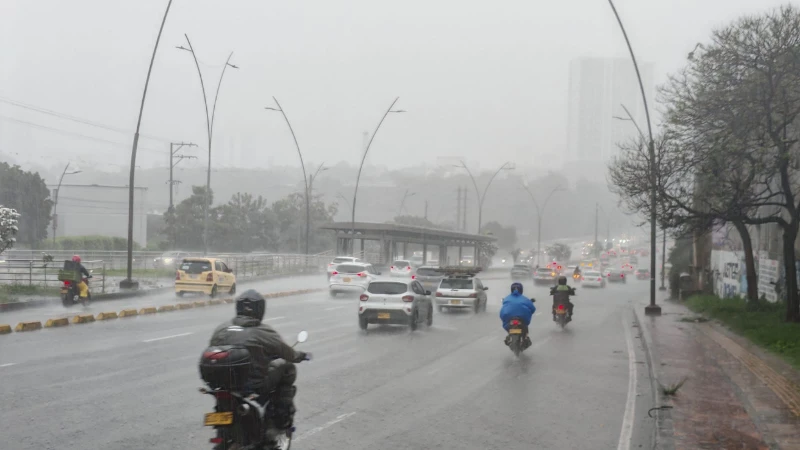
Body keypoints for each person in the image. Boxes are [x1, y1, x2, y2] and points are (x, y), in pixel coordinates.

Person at [209, 289, 308, 439]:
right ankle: (281, 418)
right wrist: (300, 355)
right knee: (287, 367)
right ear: (260, 310)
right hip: (253, 385)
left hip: (222, 385)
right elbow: (287, 353)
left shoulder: (221, 329)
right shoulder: (264, 332)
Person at [499, 282, 536, 347]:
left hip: (509, 318)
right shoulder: (525, 299)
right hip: (522, 319)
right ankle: (525, 338)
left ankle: (512, 337)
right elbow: (532, 309)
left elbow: (503, 310)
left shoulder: (507, 298)